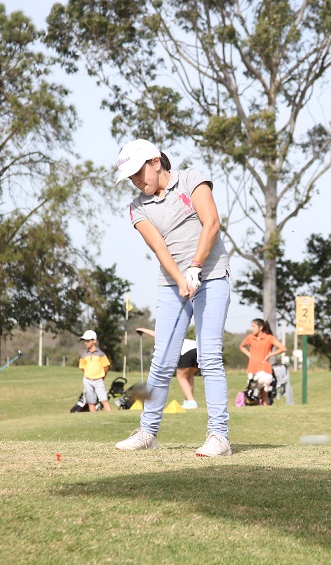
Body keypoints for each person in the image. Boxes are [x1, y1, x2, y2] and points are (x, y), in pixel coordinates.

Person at [112, 139, 232, 457]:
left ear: (155, 162)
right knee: (163, 360)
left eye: (138, 173)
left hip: (212, 277)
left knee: (209, 357)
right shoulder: (138, 207)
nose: (136, 182)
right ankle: (147, 433)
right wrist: (180, 279)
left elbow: (212, 223)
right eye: (131, 178)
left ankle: (219, 437)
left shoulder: (192, 179)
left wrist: (195, 267)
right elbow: (159, 248)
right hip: (172, 285)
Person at [135, 327, 199, 409]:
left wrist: (143, 330)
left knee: (181, 377)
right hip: (198, 350)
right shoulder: (177, 338)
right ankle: (189, 400)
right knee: (189, 376)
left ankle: (191, 402)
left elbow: (156, 334)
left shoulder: (168, 337)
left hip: (186, 352)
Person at [239, 318, 287, 406]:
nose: (252, 328)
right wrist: (249, 355)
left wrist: (270, 354)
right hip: (252, 369)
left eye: (254, 326)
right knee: (254, 394)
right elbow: (242, 346)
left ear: (260, 327)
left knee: (262, 391)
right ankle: (260, 409)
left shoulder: (269, 338)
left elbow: (283, 348)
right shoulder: (250, 338)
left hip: (264, 369)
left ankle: (265, 408)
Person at [78, 329, 114, 412]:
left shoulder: (101, 354)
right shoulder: (84, 355)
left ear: (94, 341)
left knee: (103, 399)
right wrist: (89, 375)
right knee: (91, 402)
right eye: (85, 341)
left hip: (99, 380)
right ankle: (93, 416)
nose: (85, 343)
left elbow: (106, 367)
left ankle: (111, 415)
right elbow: (83, 368)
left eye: (88, 341)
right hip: (87, 380)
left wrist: (102, 377)